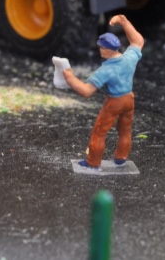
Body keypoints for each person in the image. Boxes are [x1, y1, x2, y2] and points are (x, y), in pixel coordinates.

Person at [56, 14, 144, 171]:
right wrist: (124, 22)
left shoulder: (106, 70)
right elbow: (138, 41)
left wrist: (70, 77)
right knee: (125, 130)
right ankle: (121, 157)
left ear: (107, 50)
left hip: (115, 102)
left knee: (99, 132)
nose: (100, 50)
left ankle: (93, 162)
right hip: (129, 100)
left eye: (101, 48)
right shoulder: (129, 58)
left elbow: (86, 91)